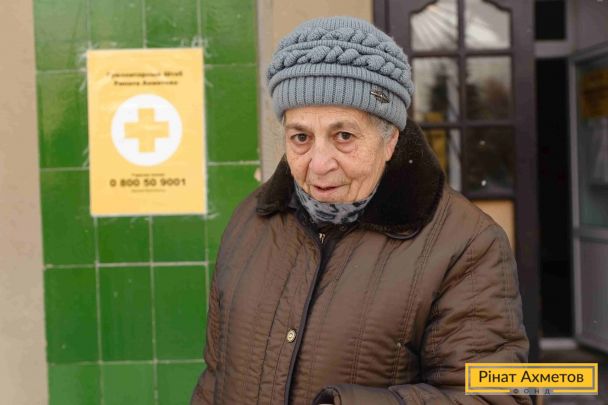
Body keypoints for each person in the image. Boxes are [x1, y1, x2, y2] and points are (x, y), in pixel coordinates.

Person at [192, 16, 531, 405]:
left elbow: (498, 396)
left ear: (390, 140)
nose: (319, 164)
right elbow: (215, 380)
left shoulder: (467, 245)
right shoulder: (250, 221)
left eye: (344, 136)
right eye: (301, 137)